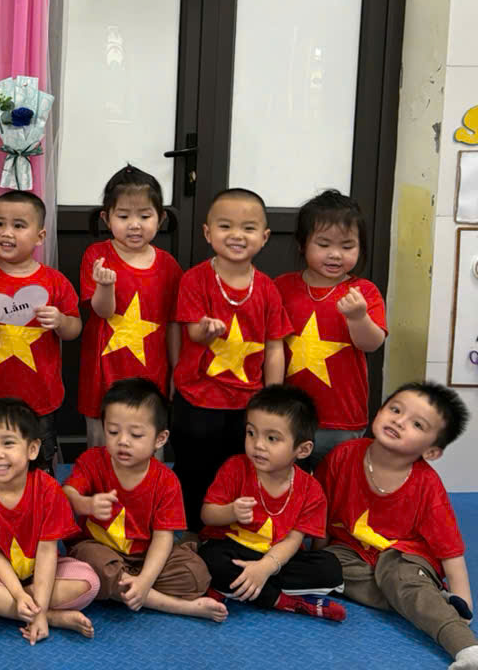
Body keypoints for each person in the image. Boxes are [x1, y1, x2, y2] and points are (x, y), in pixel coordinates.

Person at [316, 382, 478, 670]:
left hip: (406, 557)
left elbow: (451, 551)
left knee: (399, 575)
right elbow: (321, 510)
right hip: (351, 553)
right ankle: (426, 599)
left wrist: (462, 604)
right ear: (379, 411)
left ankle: (465, 645)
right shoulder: (343, 455)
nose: (399, 422)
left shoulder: (427, 484)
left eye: (417, 424)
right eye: (395, 410)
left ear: (431, 451)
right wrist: (317, 555)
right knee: (325, 569)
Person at [170, 188, 291, 526]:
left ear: (264, 237)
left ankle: (229, 528)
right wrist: (205, 331)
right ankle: (190, 530)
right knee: (193, 468)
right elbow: (192, 332)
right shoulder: (194, 279)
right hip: (197, 398)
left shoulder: (267, 289)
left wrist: (272, 398)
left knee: (240, 468)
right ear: (208, 233)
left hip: (247, 402)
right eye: (225, 226)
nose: (237, 235)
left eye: (248, 228)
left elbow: (274, 347)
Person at [62, 377, 225, 623]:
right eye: (113, 431)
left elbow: (163, 537)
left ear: (160, 439)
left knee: (196, 574)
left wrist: (146, 579)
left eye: (136, 434)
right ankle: (173, 605)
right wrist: (86, 504)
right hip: (98, 549)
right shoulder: (92, 461)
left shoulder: (166, 481)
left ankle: (130, 586)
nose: (123, 441)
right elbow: (67, 493)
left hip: (144, 556)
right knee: (92, 565)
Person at [0, 398, 99, 644]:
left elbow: (47, 552)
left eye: (8, 443)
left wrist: (32, 601)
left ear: (32, 449)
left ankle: (5, 607)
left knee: (89, 582)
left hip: (42, 575)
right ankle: (51, 617)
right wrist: (27, 602)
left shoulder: (49, 490)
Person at [198, 385, 345, 620]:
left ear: (303, 449)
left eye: (272, 438)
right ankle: (284, 602)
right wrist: (230, 511)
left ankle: (231, 589)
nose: (258, 444)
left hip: (277, 558)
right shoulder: (235, 467)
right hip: (232, 548)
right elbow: (207, 515)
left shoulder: (311, 490)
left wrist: (265, 567)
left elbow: (294, 540)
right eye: (251, 433)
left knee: (330, 569)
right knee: (209, 559)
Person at [0, 190, 79, 477]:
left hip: (39, 397)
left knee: (38, 466)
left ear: (40, 236)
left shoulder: (54, 281)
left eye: (18, 225)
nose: (6, 232)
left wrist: (60, 320)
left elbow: (74, 329)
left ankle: (38, 503)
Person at [275, 190, 387, 464]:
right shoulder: (281, 287)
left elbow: (372, 344)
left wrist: (359, 317)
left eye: (347, 246)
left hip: (343, 419)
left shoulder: (363, 291)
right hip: (290, 416)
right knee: (288, 481)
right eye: (323, 244)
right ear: (302, 244)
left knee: (338, 481)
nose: (335, 255)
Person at [78, 165, 182, 448]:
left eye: (144, 216)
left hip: (151, 376)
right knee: (102, 447)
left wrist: (176, 369)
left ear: (160, 218)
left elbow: (174, 323)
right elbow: (102, 311)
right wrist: (105, 285)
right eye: (123, 216)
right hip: (104, 376)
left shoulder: (168, 266)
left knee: (146, 445)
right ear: (106, 218)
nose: (134, 225)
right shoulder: (97, 255)